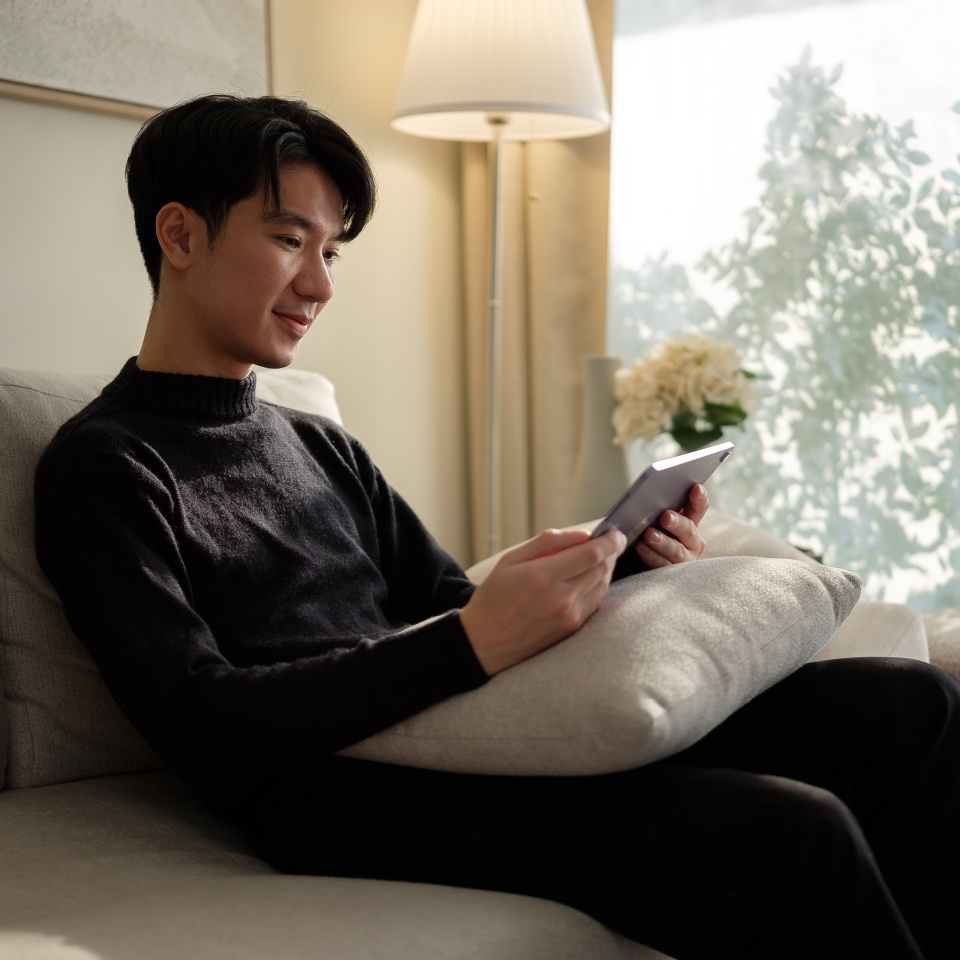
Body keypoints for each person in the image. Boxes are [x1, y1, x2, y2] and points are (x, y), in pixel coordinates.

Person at [34, 93, 960, 960]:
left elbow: (446, 604)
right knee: (790, 830)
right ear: (179, 232)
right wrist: (469, 645)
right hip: (342, 791)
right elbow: (200, 720)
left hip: (465, 729)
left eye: (333, 252)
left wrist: (622, 566)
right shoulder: (105, 466)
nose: (319, 283)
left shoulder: (317, 443)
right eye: (289, 240)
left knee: (907, 703)